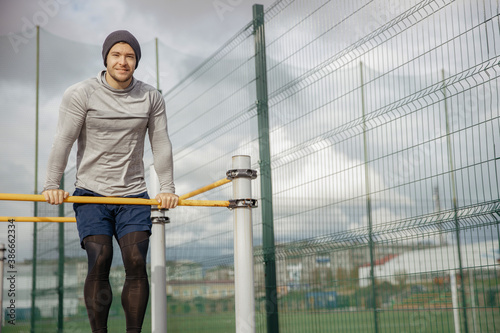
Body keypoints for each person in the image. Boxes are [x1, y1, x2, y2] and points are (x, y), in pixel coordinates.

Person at [42, 30, 178, 333]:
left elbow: (161, 144)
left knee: (135, 260)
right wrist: (52, 183)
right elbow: (63, 140)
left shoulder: (150, 97)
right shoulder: (81, 93)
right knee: (100, 258)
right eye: (116, 54)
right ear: (106, 58)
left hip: (133, 195)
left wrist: (167, 188)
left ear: (136, 61)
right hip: (91, 194)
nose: (123, 61)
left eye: (129, 56)